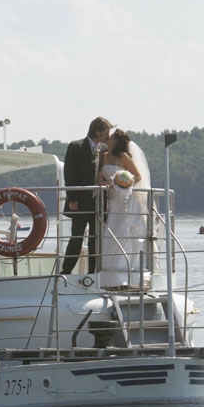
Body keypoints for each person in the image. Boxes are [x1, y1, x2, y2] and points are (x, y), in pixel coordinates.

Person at [96, 129, 151, 288]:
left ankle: (126, 276)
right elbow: (99, 178)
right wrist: (105, 185)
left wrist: (124, 182)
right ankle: (110, 277)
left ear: (117, 141)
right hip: (113, 200)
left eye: (111, 137)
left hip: (125, 199)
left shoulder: (123, 157)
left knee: (124, 233)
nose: (108, 137)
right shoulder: (104, 156)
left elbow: (138, 176)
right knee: (111, 233)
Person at [61, 116, 113, 274]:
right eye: (106, 132)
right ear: (97, 132)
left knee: (95, 239)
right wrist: (72, 199)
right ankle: (66, 271)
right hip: (80, 201)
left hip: (98, 202)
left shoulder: (104, 148)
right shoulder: (75, 147)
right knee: (76, 237)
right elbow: (69, 174)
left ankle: (93, 272)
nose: (108, 136)